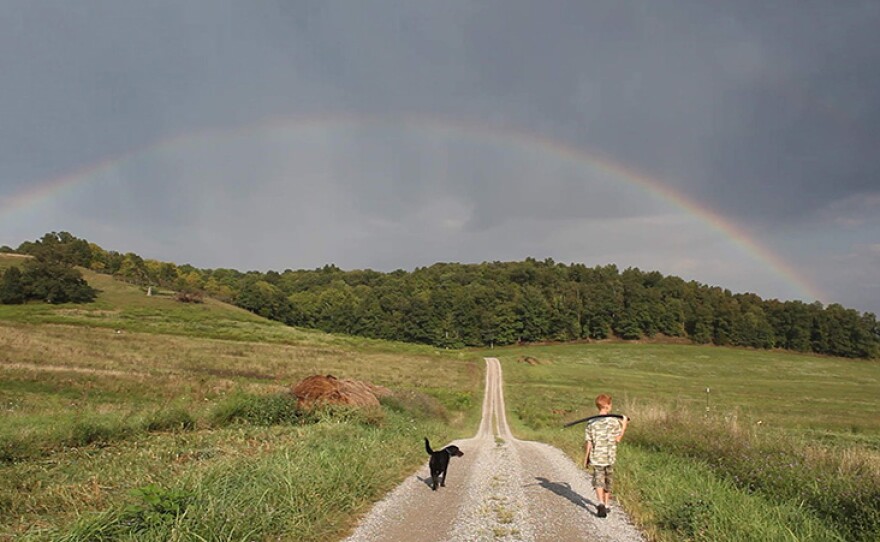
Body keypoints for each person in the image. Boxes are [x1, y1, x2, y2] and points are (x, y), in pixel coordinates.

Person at [582, 393, 628, 518]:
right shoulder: (614, 421)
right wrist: (624, 425)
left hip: (596, 457)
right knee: (608, 480)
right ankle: (607, 504)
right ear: (608, 406)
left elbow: (589, 442)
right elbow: (618, 439)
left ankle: (600, 502)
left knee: (598, 480)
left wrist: (586, 458)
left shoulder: (591, 422)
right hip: (609, 457)